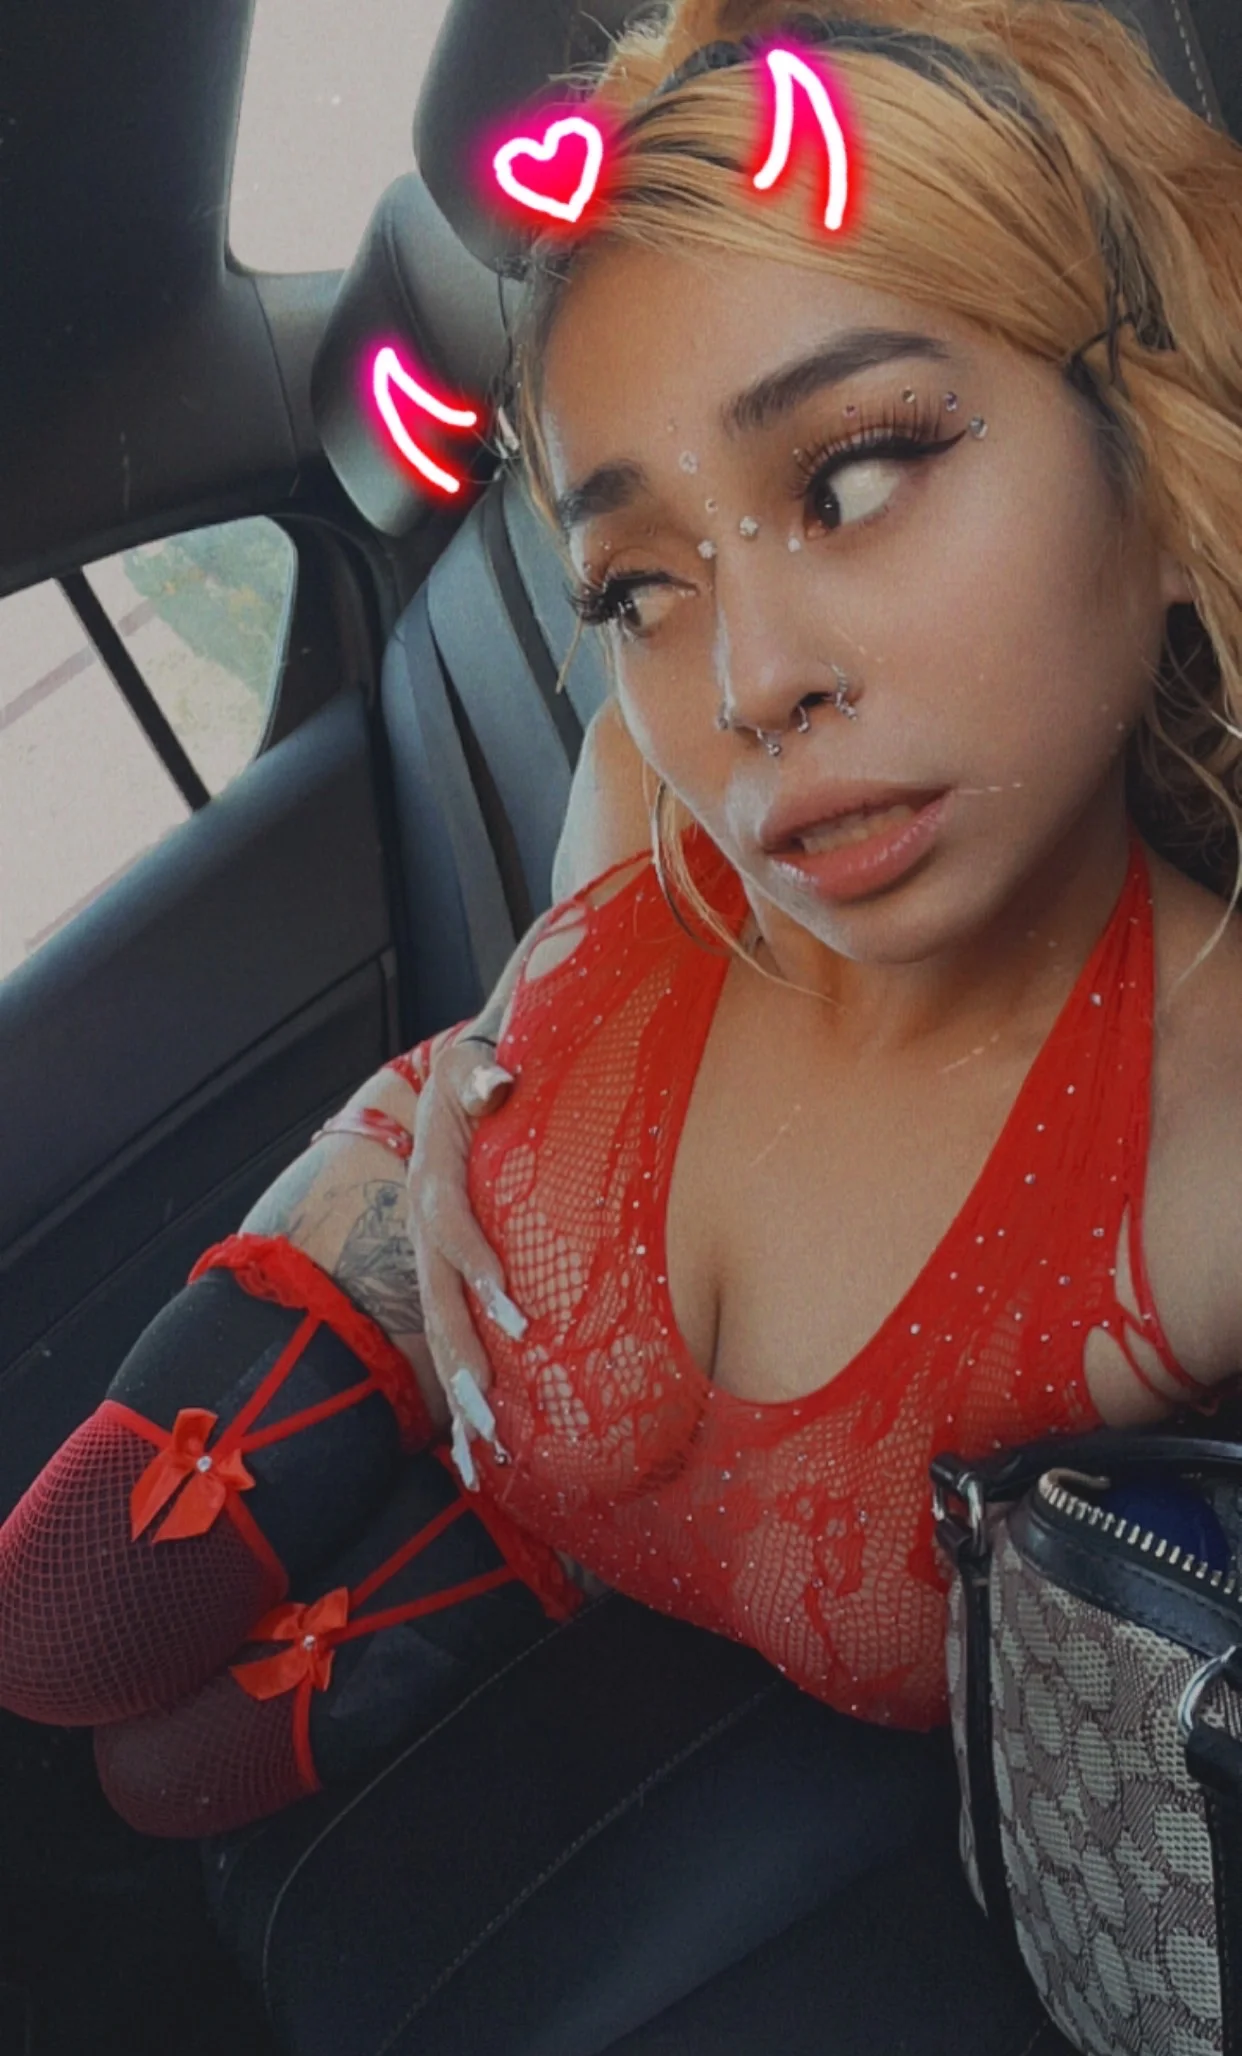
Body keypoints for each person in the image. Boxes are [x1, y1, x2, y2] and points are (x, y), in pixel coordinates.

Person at [1, 0, 1241, 1845]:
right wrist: (491, 1060)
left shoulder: (1210, 1143)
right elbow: (604, 797)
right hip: (442, 1232)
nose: (744, 683)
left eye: (851, 476)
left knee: (171, 1777)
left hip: (578, 1533)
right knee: (60, 1623)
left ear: (1154, 464)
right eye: (636, 587)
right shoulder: (662, 770)